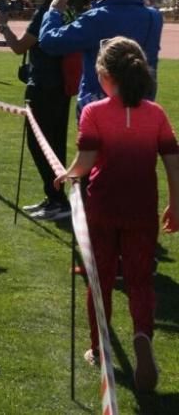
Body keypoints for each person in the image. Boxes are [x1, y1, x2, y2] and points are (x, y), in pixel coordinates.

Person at [54, 37, 179, 391]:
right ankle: (142, 335)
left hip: (102, 210)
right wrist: (176, 203)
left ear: (106, 76)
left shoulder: (94, 111)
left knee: (100, 280)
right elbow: (173, 163)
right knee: (140, 281)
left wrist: (67, 174)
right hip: (142, 210)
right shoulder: (156, 114)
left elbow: (85, 163)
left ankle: (99, 347)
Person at [39, 0, 163, 117]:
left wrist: (53, 12)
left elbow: (50, 42)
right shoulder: (154, 17)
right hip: (142, 106)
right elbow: (121, 21)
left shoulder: (96, 18)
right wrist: (101, 5)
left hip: (99, 108)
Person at [0, 0, 71, 220]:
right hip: (62, 85)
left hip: (43, 85)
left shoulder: (46, 12)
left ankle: (57, 201)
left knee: (40, 144)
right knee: (55, 143)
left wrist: (4, 26)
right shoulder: (66, 8)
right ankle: (55, 197)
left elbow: (19, 47)